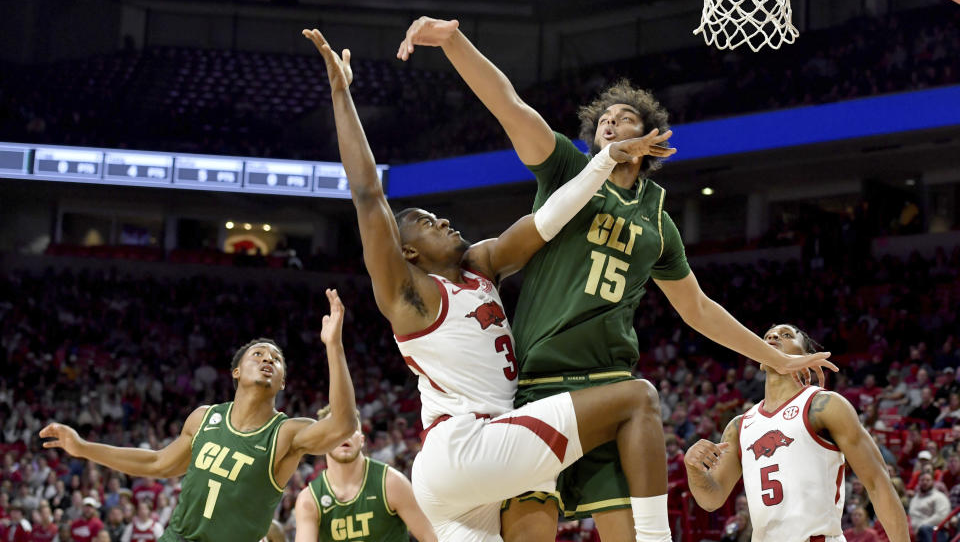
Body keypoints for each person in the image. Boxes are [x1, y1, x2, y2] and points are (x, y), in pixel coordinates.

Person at [302, 28, 830, 542]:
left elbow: (693, 306)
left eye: (625, 119)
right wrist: (451, 45)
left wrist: (775, 357)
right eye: (603, 119)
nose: (610, 123)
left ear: (652, 140)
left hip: (579, 387)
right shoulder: (564, 169)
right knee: (628, 415)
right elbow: (505, 109)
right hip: (530, 393)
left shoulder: (503, 259)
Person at [39, 289, 357, 542]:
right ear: (236, 371)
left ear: (282, 381)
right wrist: (83, 448)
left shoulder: (286, 432)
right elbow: (156, 463)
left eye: (276, 360)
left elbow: (343, 424)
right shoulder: (204, 417)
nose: (267, 360)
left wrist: (333, 346)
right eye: (257, 354)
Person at [682, 324, 909, 542]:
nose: (773, 338)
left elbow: (878, 484)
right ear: (760, 362)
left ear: (807, 357)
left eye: (786, 335)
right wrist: (694, 470)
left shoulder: (825, 405)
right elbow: (711, 499)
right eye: (768, 335)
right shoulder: (739, 425)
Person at [293, 408, 436, 542]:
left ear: (361, 440)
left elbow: (430, 537)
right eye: (335, 428)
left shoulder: (391, 482)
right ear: (322, 441)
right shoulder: (309, 498)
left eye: (350, 428)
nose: (344, 434)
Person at [908, 471, 951, 542]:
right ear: (918, 482)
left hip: (935, 532)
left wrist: (920, 526)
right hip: (914, 532)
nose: (925, 482)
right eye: (922, 480)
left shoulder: (939, 497)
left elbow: (941, 517)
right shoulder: (914, 499)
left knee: (924, 529)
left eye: (928, 480)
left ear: (933, 482)